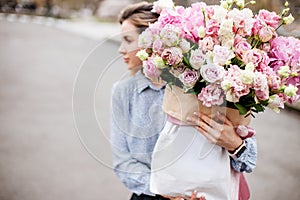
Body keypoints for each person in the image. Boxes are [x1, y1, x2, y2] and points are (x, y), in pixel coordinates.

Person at [110, 2, 257, 200]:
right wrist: (164, 192)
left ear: (152, 41)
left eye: (128, 40)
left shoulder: (202, 87)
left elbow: (248, 162)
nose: (121, 49)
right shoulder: (123, 92)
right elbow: (123, 162)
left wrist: (235, 144)